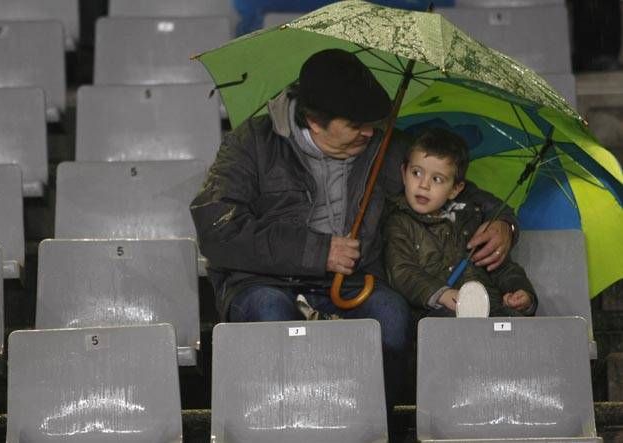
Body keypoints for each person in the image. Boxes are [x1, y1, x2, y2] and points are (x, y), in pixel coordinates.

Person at [190, 48, 518, 407]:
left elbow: (452, 188)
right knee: (270, 314)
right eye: (355, 125)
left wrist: (502, 221)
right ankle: (288, 422)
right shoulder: (251, 143)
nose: (368, 132)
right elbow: (217, 228)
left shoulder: (381, 145)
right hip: (264, 281)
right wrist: (318, 252)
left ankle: (378, 424)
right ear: (315, 122)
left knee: (391, 316)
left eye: (371, 122)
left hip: (355, 283)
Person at [384, 128, 537, 318]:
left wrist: (521, 292)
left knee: (515, 324)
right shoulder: (398, 222)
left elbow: (501, 267)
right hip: (437, 313)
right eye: (416, 173)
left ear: (455, 189)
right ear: (403, 172)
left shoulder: (471, 218)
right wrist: (441, 294)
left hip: (491, 309)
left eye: (437, 179)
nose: (424, 185)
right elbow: (402, 272)